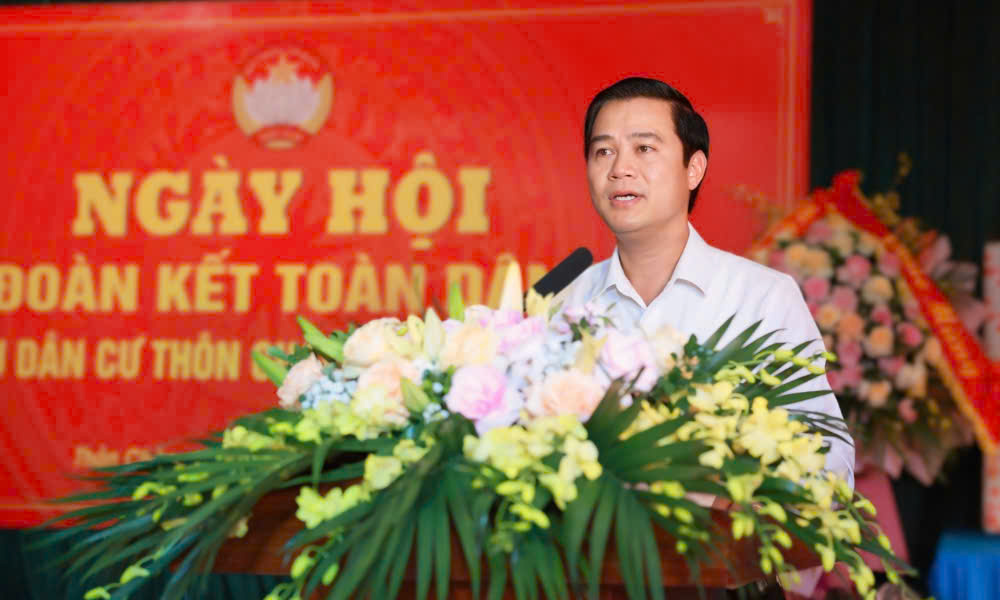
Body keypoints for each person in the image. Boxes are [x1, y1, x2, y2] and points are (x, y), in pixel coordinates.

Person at [556, 77, 854, 598]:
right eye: (603, 151)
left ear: (694, 169)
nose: (620, 168)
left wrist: (731, 510)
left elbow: (826, 455)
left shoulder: (760, 297)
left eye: (644, 148)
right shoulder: (565, 303)